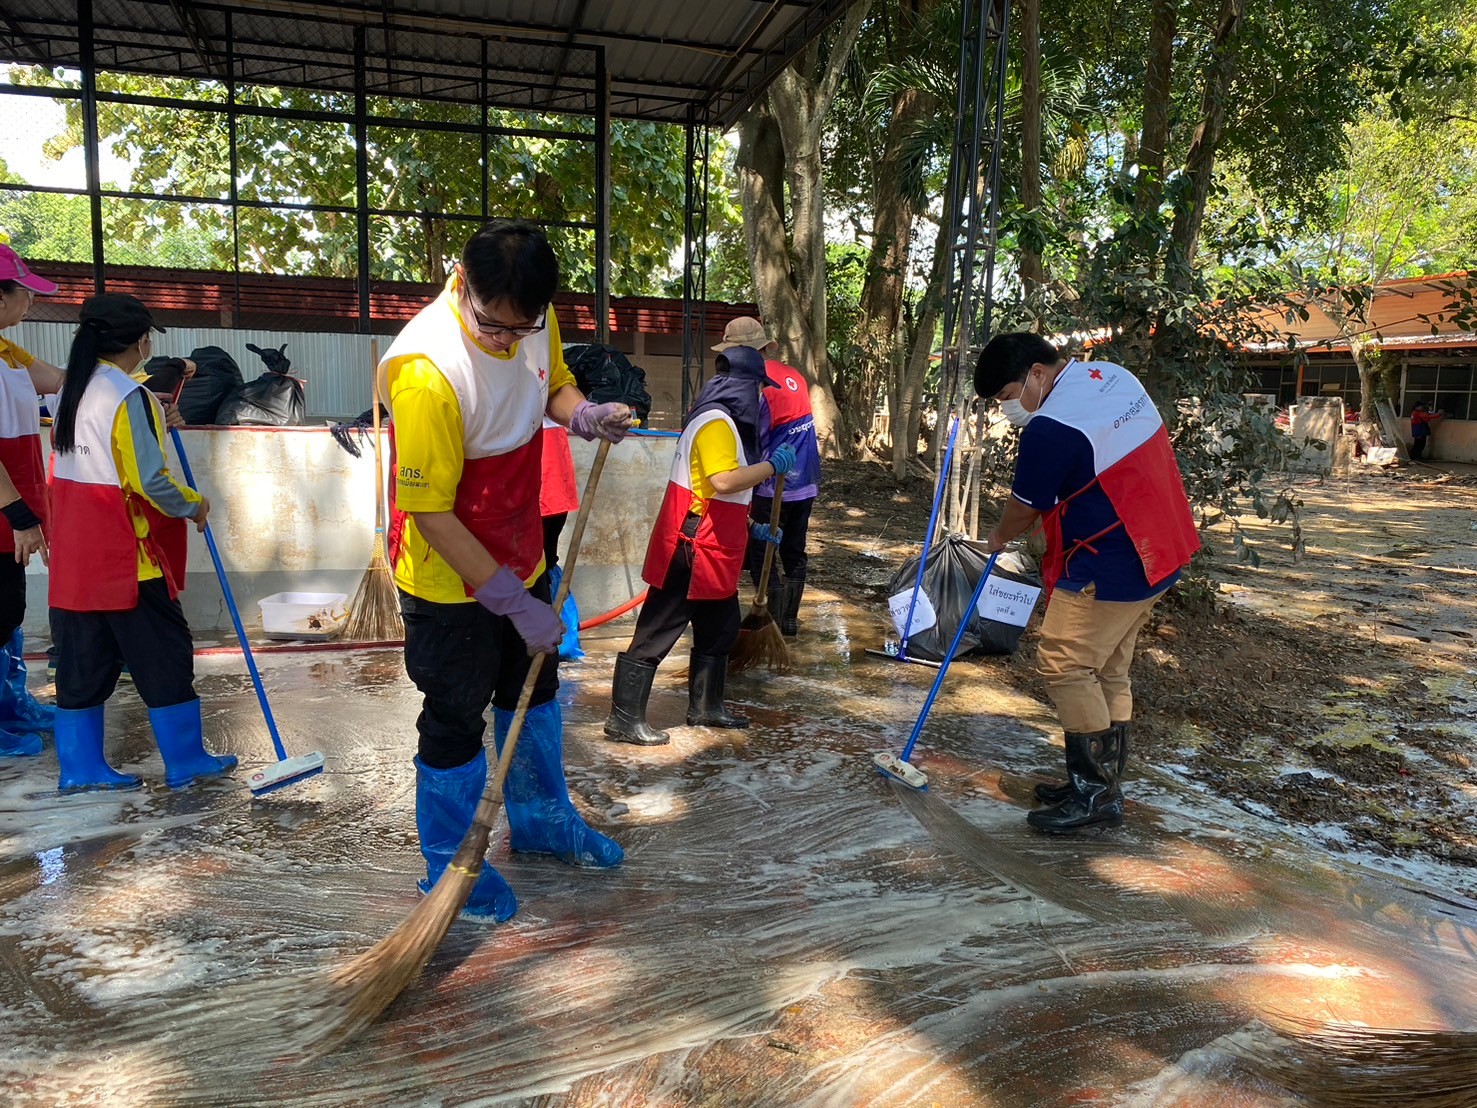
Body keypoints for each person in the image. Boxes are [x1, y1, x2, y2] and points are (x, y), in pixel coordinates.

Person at [380, 220, 631, 922]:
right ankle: (451, 865)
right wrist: (513, 604)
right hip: (446, 577)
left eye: (522, 328)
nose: (506, 340)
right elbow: (431, 514)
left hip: (519, 544)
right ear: (462, 283)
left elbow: (552, 383)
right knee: (455, 714)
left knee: (533, 691)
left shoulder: (530, 319)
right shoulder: (427, 372)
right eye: (492, 326)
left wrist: (583, 415)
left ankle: (543, 821)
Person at [975, 334, 1199, 834]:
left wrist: (998, 536)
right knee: (1109, 668)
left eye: (1007, 395)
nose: (1007, 408)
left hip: (1113, 561)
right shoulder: (1113, 377)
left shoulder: (1052, 425)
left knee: (1066, 663)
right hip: (1161, 547)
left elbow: (1026, 505)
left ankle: (1094, 794)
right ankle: (1102, 783)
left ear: (1037, 373)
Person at [47, 293, 237, 792]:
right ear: (141, 341)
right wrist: (194, 504)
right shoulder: (128, 396)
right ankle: (186, 761)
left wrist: (156, 421)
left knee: (82, 662)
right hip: (126, 559)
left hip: (75, 558)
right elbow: (151, 481)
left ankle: (81, 769)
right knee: (164, 655)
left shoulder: (70, 391)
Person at [603, 344, 797, 746]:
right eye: (759, 388)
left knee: (720, 628)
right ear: (745, 386)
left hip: (715, 542)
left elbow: (713, 493)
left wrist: (752, 527)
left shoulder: (721, 422)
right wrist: (771, 467)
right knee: (658, 630)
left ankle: (707, 707)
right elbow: (722, 481)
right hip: (693, 546)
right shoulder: (716, 423)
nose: (761, 396)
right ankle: (623, 720)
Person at [0, 244, 68, 756]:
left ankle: (10, 705)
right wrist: (20, 515)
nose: (30, 301)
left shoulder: (7, 352)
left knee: (8, 608)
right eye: (24, 292)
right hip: (6, 507)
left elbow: (62, 382)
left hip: (12, 507)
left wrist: (136, 391)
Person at [716, 317, 822, 638]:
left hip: (772, 483)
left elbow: (752, 442)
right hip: (806, 481)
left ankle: (769, 624)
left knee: (763, 554)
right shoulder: (795, 376)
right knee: (794, 550)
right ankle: (789, 622)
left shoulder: (756, 386)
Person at [539, 416, 583, 660]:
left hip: (551, 472)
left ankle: (548, 643)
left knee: (545, 561)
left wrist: (587, 414)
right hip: (535, 471)